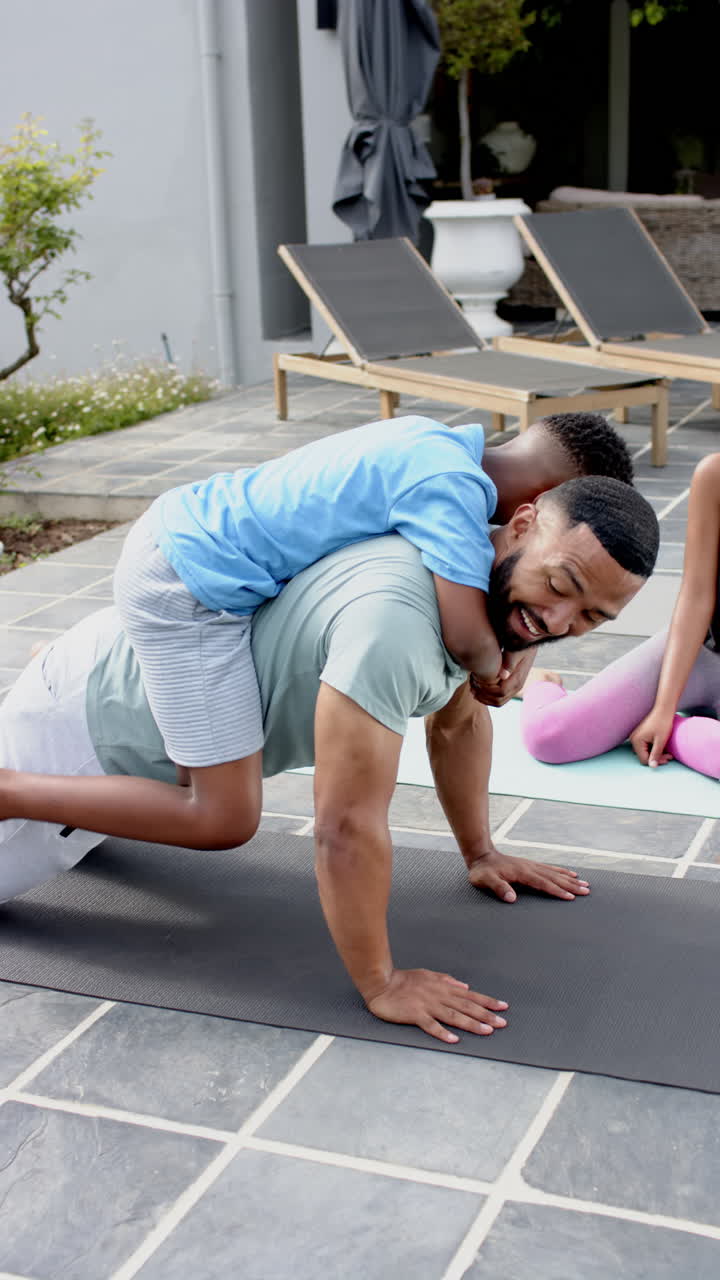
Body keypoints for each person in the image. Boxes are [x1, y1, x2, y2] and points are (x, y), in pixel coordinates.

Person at [0, 475, 658, 1044]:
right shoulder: (397, 629)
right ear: (522, 524)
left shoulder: (459, 568)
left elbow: (458, 723)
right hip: (81, 739)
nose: (560, 619)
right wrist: (382, 983)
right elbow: (345, 826)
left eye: (591, 616)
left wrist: (481, 850)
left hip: (112, 685)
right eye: (560, 584)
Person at [109, 411, 632, 852]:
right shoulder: (450, 493)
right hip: (188, 580)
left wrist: (526, 647)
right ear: (540, 513)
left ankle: (108, 668)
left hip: (188, 529)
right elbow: (467, 639)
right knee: (220, 810)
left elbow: (498, 599)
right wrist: (502, 674)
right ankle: (22, 791)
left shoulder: (437, 445)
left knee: (196, 761)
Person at [521, 453, 720, 780]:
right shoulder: (715, 475)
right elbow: (697, 596)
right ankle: (540, 683)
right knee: (549, 737)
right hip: (705, 654)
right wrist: (663, 708)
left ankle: (679, 734)